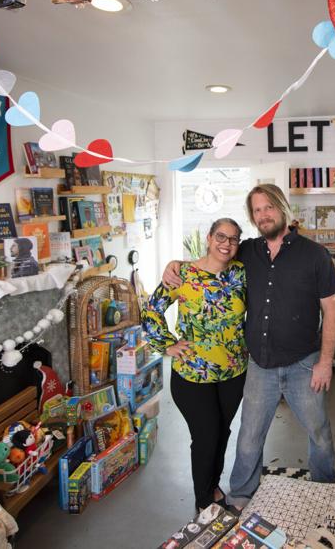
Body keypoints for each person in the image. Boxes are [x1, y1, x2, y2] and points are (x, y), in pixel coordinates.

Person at [164, 184, 335, 509]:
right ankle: (242, 494)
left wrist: (326, 361)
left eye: (269, 207)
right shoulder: (246, 251)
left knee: (319, 433)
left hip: (304, 363)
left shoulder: (315, 255)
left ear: (283, 208)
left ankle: (324, 489)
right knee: (248, 438)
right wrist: (176, 264)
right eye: (257, 210)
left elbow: (331, 307)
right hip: (259, 364)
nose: (263, 215)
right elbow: (212, 259)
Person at [145, 218, 248, 512]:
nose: (226, 243)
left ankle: (213, 486)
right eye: (221, 236)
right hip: (192, 374)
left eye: (233, 239)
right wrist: (168, 344)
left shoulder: (241, 273)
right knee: (206, 435)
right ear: (208, 237)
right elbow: (152, 310)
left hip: (233, 371)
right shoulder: (184, 275)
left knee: (222, 431)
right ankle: (204, 501)